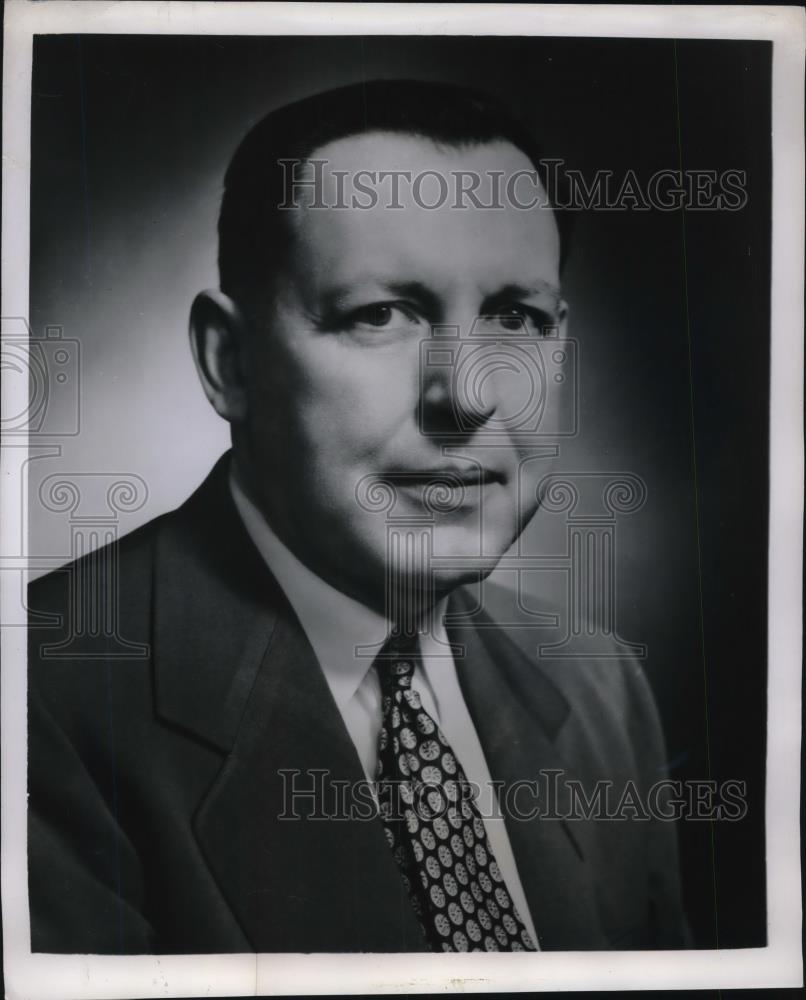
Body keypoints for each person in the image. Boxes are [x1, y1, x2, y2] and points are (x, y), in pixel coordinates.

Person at [27, 79, 689, 954]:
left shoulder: (599, 686)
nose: (469, 394)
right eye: (381, 314)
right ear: (230, 363)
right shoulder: (41, 704)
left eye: (516, 317)